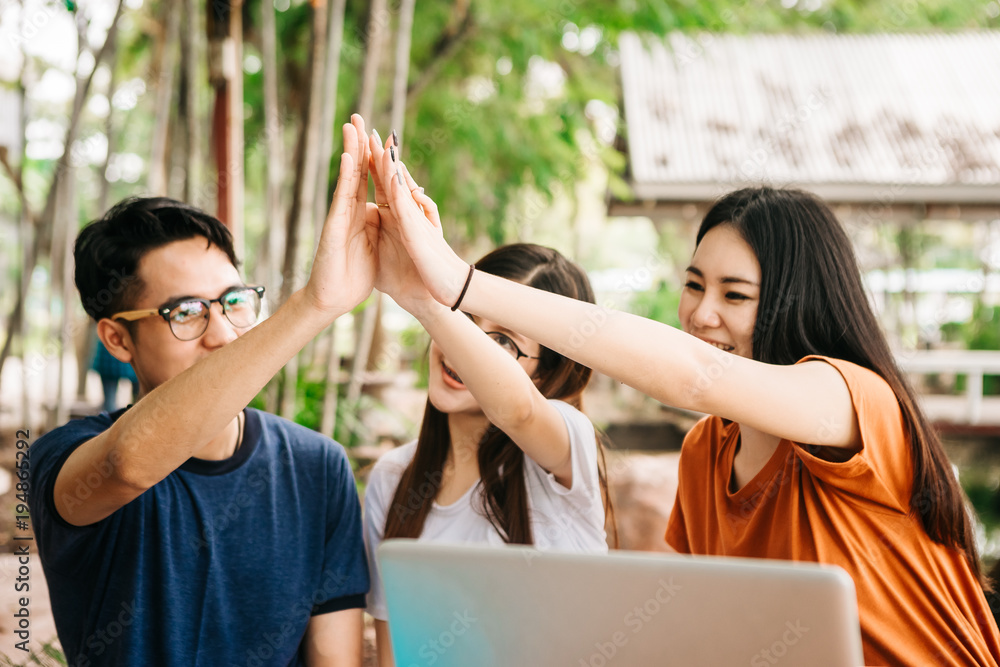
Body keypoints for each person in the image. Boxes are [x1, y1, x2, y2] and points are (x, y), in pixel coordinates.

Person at [374, 165, 1000, 666]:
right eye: (694, 284)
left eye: (735, 295)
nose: (701, 314)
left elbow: (688, 377)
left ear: (795, 302)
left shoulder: (850, 399)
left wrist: (457, 285)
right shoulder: (705, 452)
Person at [29, 116, 378, 666]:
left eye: (233, 301)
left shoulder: (318, 467)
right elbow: (128, 464)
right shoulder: (65, 460)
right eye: (185, 312)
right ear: (117, 338)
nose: (222, 333)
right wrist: (315, 305)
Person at [363, 133, 612, 666]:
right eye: (466, 320)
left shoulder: (566, 449)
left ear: (547, 376)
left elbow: (516, 410)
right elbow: (393, 654)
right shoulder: (391, 477)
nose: (460, 346)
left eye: (502, 341)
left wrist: (424, 302)